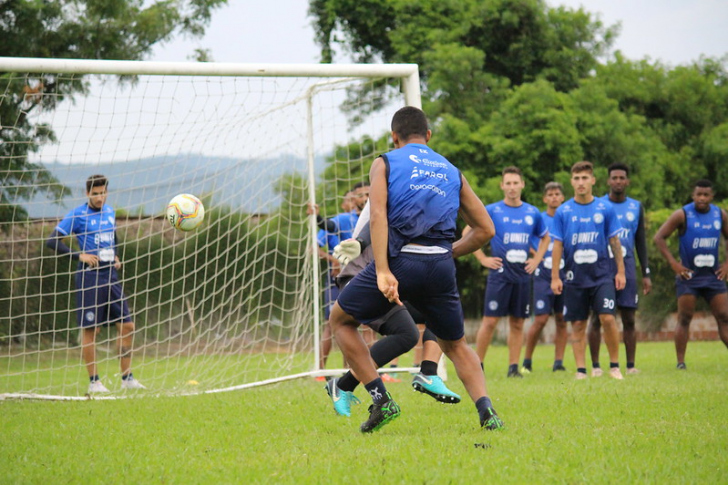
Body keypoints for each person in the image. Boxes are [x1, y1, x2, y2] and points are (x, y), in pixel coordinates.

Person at [328, 106, 503, 433]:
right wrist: (447, 253)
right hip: (439, 266)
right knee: (456, 345)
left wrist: (382, 270)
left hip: (401, 262)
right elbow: (485, 230)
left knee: (340, 320)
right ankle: (487, 411)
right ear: (429, 136)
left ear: (394, 137)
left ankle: (381, 399)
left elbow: (377, 215)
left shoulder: (386, 162)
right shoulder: (452, 170)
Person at [324, 203, 461, 418]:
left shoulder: (420, 195)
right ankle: (372, 395)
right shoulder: (395, 191)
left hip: (390, 276)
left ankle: (427, 372)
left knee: (434, 315)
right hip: (363, 276)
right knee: (403, 332)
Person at [46, 174, 145, 393]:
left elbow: (113, 237)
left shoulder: (109, 212)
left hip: (111, 276)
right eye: (95, 194)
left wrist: (116, 255)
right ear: (87, 193)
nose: (100, 198)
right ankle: (94, 382)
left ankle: (127, 378)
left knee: (128, 326)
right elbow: (52, 241)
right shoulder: (77, 215)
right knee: (91, 330)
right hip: (89, 277)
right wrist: (78, 256)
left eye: (103, 193)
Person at [469, 166, 549, 378]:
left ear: (522, 184)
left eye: (516, 183)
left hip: (523, 276)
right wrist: (483, 258)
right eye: (508, 183)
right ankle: (478, 365)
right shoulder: (493, 210)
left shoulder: (532, 212)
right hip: (499, 275)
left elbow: (546, 238)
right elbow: (468, 231)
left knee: (518, 322)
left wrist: (537, 260)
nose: (512, 187)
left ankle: (514, 368)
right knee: (490, 321)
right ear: (502, 186)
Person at [550, 161, 626, 380]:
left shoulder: (605, 208)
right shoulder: (563, 212)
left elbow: (615, 241)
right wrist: (555, 276)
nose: (581, 183)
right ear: (572, 182)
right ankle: (582, 370)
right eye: (576, 178)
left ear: (593, 180)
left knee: (608, 318)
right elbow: (557, 245)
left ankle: (614, 366)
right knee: (578, 323)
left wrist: (620, 271)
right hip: (574, 277)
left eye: (585, 178)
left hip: (602, 274)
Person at [653, 179, 728, 369]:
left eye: (706, 195)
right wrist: (674, 264)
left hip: (713, 276)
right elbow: (659, 237)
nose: (702, 198)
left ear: (712, 196)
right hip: (689, 277)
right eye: (698, 194)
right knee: (684, 318)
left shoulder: (720, 214)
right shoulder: (682, 214)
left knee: (724, 316)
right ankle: (680, 363)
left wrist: (727, 264)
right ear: (693, 195)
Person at [588, 163, 652, 376]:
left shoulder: (636, 207)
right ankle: (596, 366)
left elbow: (640, 242)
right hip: (602, 267)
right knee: (598, 317)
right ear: (608, 181)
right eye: (614, 177)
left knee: (628, 318)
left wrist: (646, 273)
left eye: (621, 178)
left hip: (628, 267)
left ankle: (631, 365)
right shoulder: (597, 205)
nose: (617, 181)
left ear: (627, 181)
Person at [521, 182, 569, 373]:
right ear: (544, 199)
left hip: (565, 273)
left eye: (557, 194)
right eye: (550, 194)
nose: (554, 197)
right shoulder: (538, 219)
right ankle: (526, 361)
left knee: (562, 319)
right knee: (540, 319)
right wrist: (537, 255)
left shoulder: (568, 216)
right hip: (543, 273)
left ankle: (558, 362)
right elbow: (528, 239)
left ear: (563, 197)